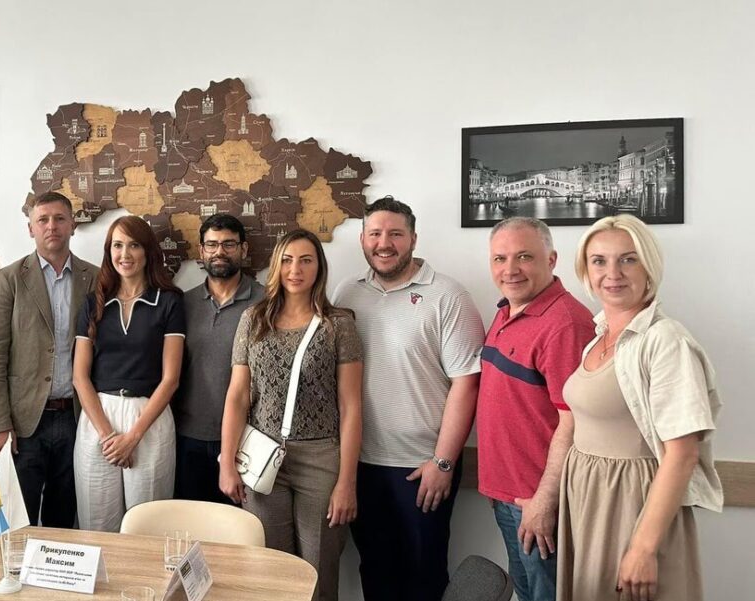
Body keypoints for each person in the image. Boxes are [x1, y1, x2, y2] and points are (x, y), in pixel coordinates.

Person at [557, 215, 722, 601]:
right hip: (588, 502)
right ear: (586, 270)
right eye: (599, 261)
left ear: (649, 266)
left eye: (628, 259)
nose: (612, 273)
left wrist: (643, 549)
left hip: (632, 506)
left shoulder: (665, 341)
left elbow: (682, 454)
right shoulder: (599, 338)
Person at [333, 197, 484, 601]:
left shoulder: (448, 296)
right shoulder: (346, 292)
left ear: (413, 239)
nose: (384, 243)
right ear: (362, 239)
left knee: (423, 577)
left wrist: (443, 462)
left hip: (422, 468)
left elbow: (467, 384)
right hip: (361, 464)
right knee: (375, 572)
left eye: (395, 234)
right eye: (375, 234)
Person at [220, 229, 362, 601]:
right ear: (276, 266)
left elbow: (350, 406)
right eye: (286, 260)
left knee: (318, 571)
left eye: (305, 260)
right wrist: (227, 464)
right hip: (262, 457)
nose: (295, 270)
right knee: (271, 571)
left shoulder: (338, 325)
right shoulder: (253, 319)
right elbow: (237, 396)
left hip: (321, 459)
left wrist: (347, 482)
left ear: (319, 267)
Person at [477, 217, 594, 601]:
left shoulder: (566, 324)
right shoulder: (507, 311)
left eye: (524, 256)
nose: (510, 269)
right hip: (509, 496)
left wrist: (545, 501)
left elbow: (575, 422)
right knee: (526, 593)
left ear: (552, 260)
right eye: (500, 259)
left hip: (539, 502)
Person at [0, 192, 96, 527]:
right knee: (18, 519)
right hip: (24, 422)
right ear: (30, 228)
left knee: (65, 518)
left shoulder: (95, 277)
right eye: (42, 220)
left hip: (76, 417)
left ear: (73, 225)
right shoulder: (10, 279)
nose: (51, 226)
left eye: (59, 218)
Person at [72, 215, 185, 532]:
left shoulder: (169, 302)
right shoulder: (93, 303)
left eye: (134, 245)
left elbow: (171, 379)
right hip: (99, 418)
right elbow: (80, 377)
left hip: (148, 418)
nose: (125, 254)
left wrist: (133, 437)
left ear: (148, 251)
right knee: (97, 526)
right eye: (117, 245)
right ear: (109, 251)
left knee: (146, 526)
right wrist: (109, 436)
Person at [173, 214, 263, 503]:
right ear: (201, 251)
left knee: (241, 526)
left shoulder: (267, 304)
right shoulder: (181, 304)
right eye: (211, 245)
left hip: (248, 441)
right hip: (188, 438)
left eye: (228, 244)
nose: (219, 252)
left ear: (244, 249)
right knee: (192, 524)